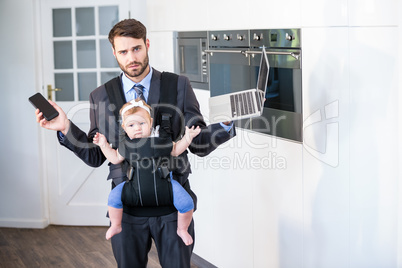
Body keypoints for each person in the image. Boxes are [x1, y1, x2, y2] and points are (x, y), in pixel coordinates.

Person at [36, 18, 235, 268]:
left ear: (147, 44)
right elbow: (96, 155)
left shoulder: (178, 85)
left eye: (136, 48)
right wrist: (65, 127)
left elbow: (198, 142)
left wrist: (229, 125)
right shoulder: (101, 95)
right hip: (127, 211)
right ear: (114, 53)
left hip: (173, 207)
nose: (131, 57)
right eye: (123, 51)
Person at [93, 98, 200, 246]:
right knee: (113, 199)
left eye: (142, 123)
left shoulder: (161, 139)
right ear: (124, 127)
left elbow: (175, 150)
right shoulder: (126, 144)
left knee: (187, 204)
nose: (137, 128)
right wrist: (103, 144)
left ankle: (182, 229)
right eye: (131, 125)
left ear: (150, 122)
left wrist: (188, 137)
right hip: (133, 185)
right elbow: (115, 158)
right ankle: (116, 225)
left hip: (165, 183)